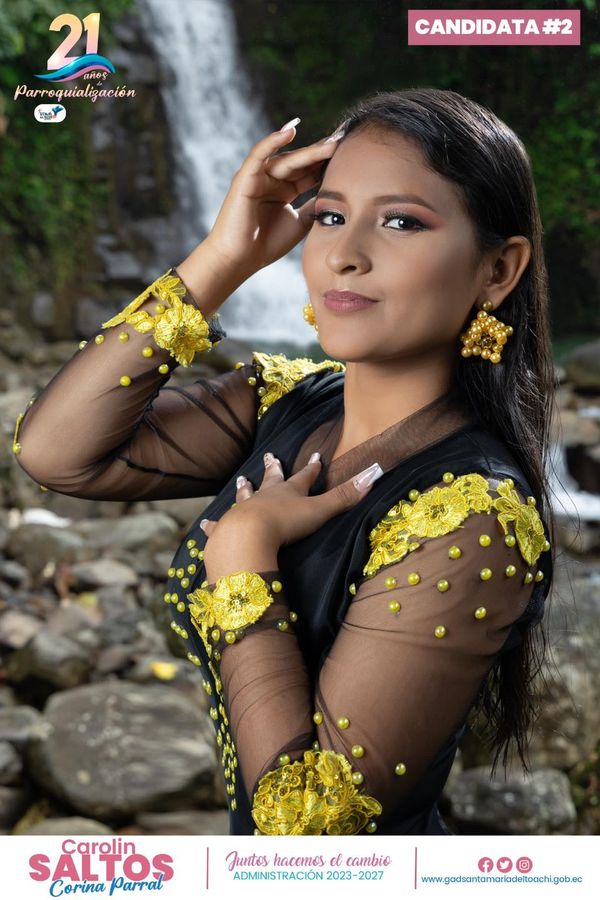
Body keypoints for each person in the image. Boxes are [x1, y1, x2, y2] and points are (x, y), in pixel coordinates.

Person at [12, 88, 556, 836]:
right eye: (329, 216)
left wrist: (242, 553)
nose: (343, 254)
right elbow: (54, 452)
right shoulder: (287, 402)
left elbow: (303, 829)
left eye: (400, 221)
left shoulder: (475, 517)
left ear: (497, 270)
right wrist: (223, 257)